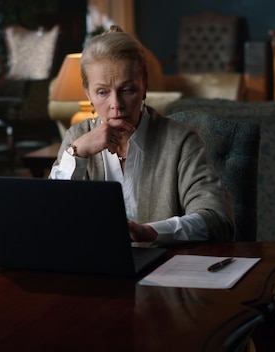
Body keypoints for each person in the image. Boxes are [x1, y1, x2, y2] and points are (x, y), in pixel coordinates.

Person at [49, 25, 234, 244]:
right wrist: (77, 154)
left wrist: (153, 232)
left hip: (164, 270)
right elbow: (51, 219)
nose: (115, 105)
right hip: (94, 270)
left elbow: (217, 220)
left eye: (127, 90)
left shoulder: (180, 141)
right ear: (88, 92)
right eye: (102, 92)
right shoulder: (76, 138)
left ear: (144, 86)